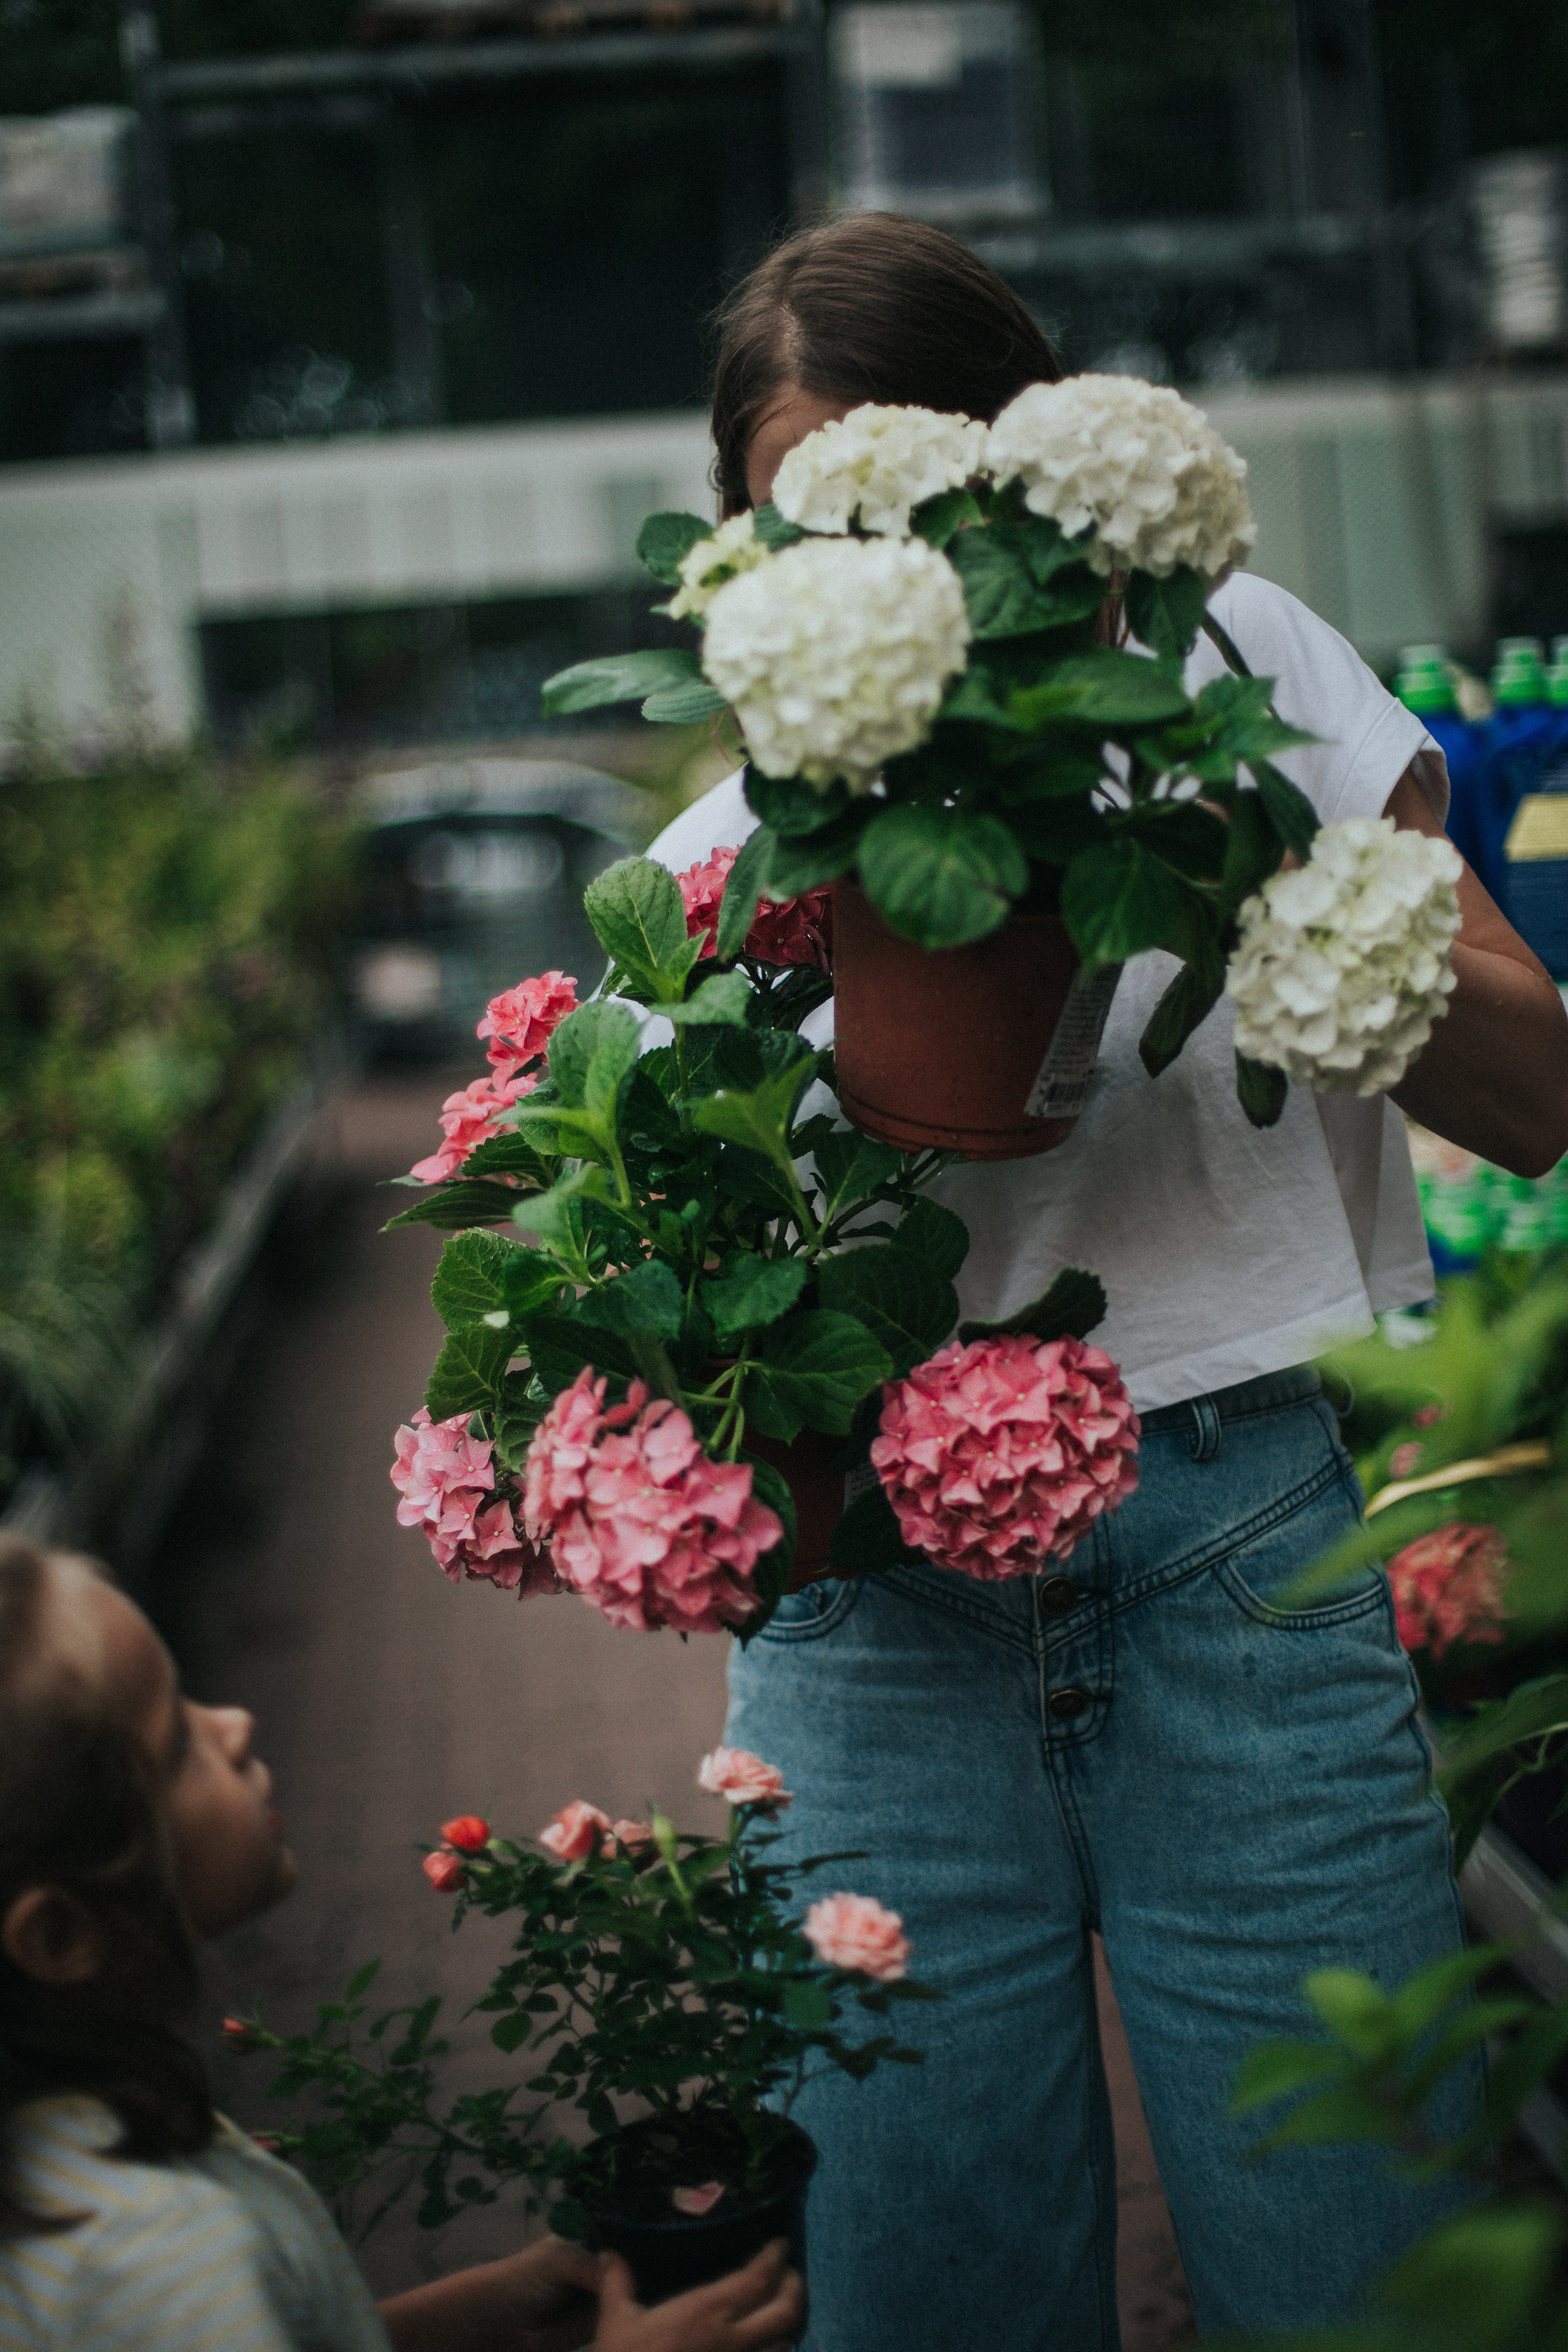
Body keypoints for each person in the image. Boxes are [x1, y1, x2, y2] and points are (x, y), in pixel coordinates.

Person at [646, 213, 1568, 2350]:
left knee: (1368, 2284)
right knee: (931, 2299)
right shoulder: (711, 874)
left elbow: (1536, 1101)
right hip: (869, 1630)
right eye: (813, 536)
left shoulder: (1249, 677)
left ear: (1057, 516)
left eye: (943, 530)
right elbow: (673, 1320)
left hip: (1235, 1557)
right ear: (739, 556)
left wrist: (1253, 854)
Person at [0, 1535, 805, 2352]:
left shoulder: (72, 2144)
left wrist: (482, 2305)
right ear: (62, 1935)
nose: (235, 1723)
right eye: (176, 1740)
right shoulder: (160, 2259)